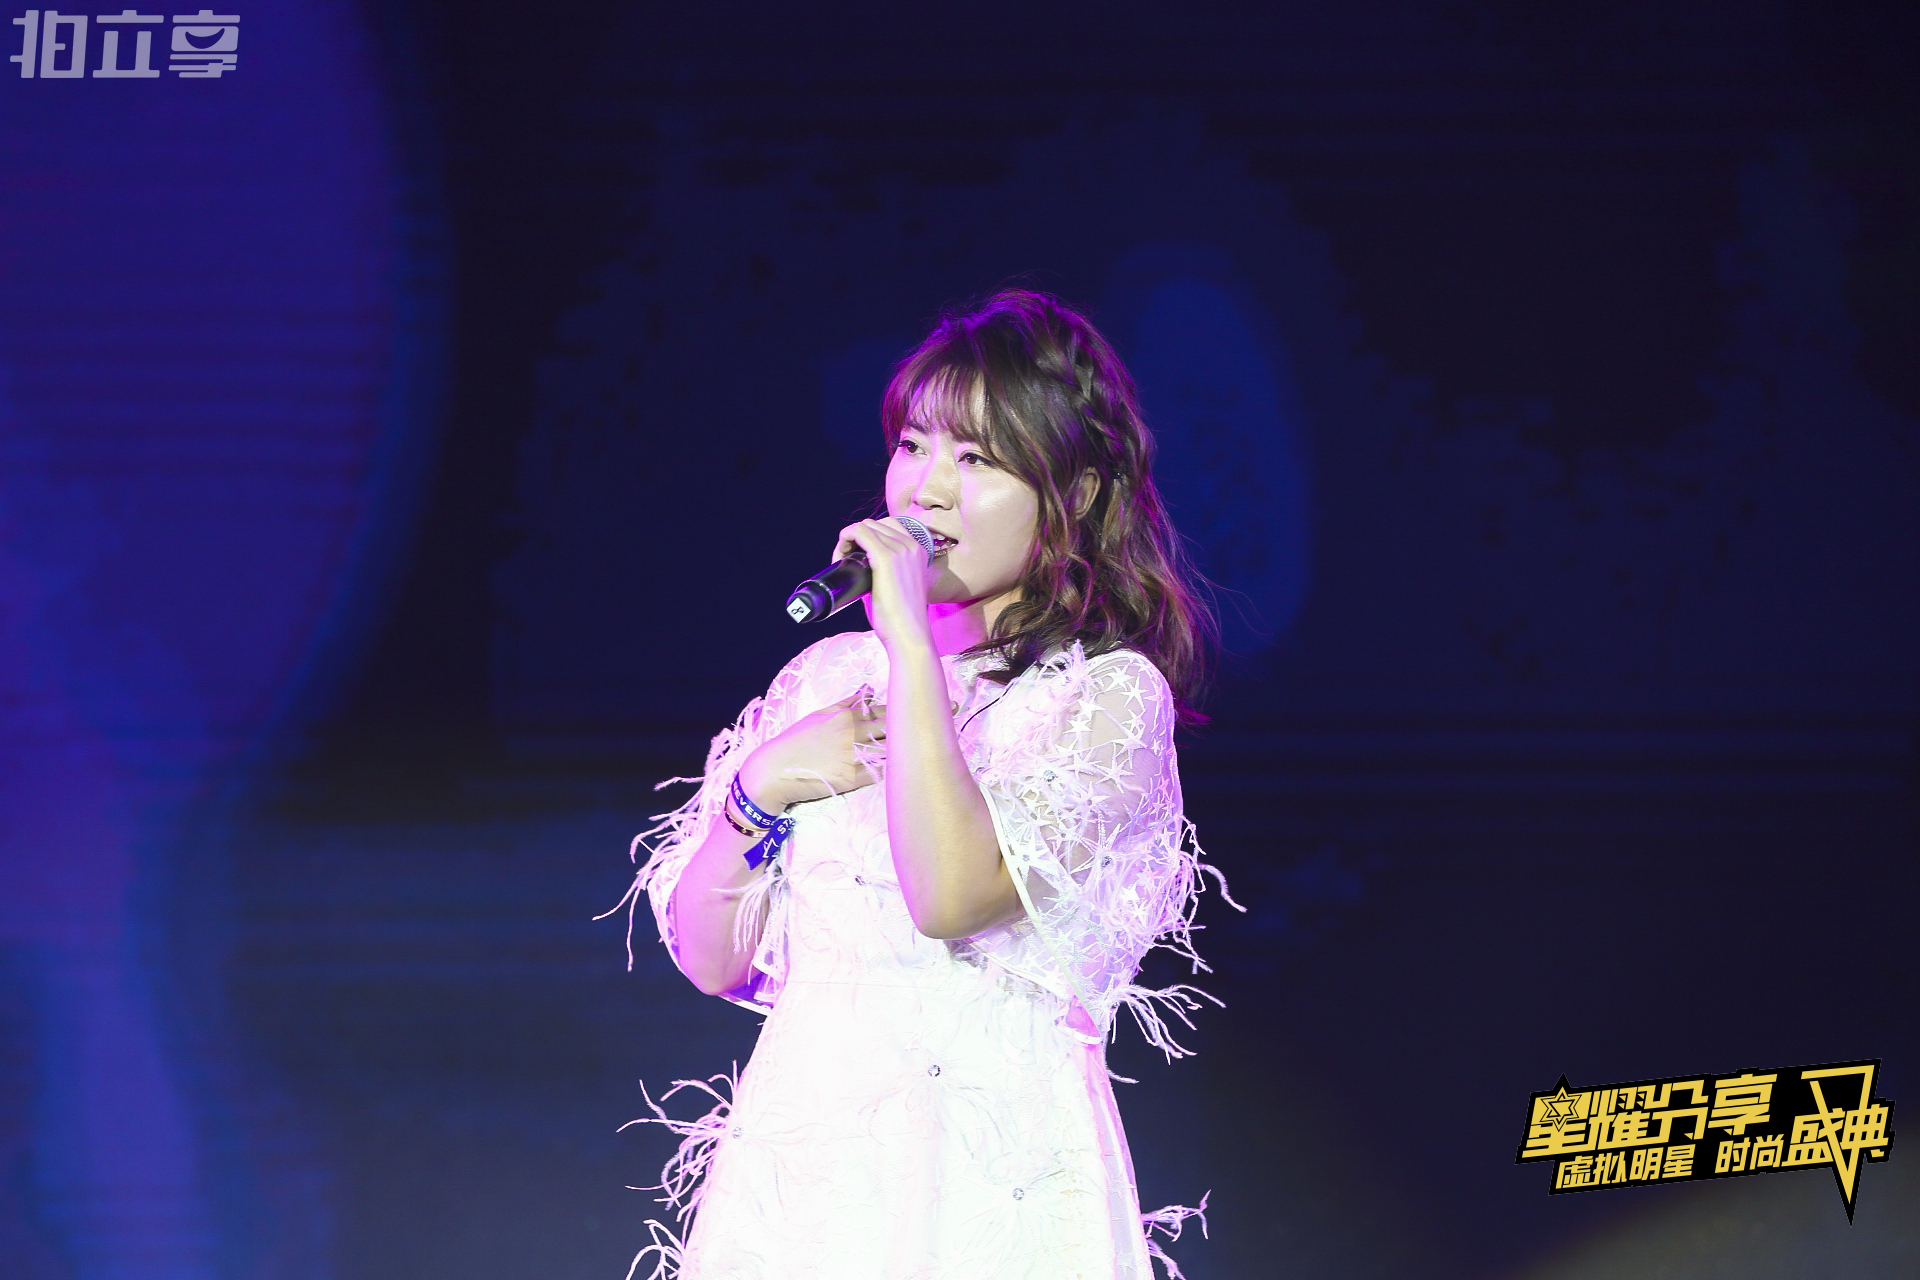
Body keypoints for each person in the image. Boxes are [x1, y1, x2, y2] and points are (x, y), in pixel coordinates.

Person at [612, 288, 1233, 1280]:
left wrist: (907, 644)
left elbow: (950, 897)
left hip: (993, 1193)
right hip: (810, 1185)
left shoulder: (1105, 700)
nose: (926, 491)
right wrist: (761, 786)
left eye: (977, 459)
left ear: (1073, 494)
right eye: (913, 445)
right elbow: (710, 958)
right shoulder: (823, 679)